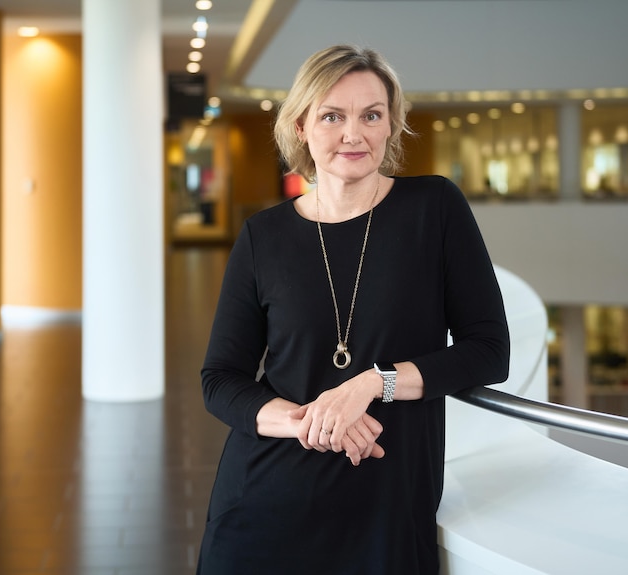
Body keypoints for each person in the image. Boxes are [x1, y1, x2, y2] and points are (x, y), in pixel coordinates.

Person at [197, 44, 510, 574]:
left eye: (371, 115)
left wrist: (370, 384)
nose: (353, 134)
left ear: (391, 124)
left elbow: (488, 352)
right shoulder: (263, 236)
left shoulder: (434, 209)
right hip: (263, 504)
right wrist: (310, 422)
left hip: (384, 507)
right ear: (300, 127)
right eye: (332, 116)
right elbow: (220, 380)